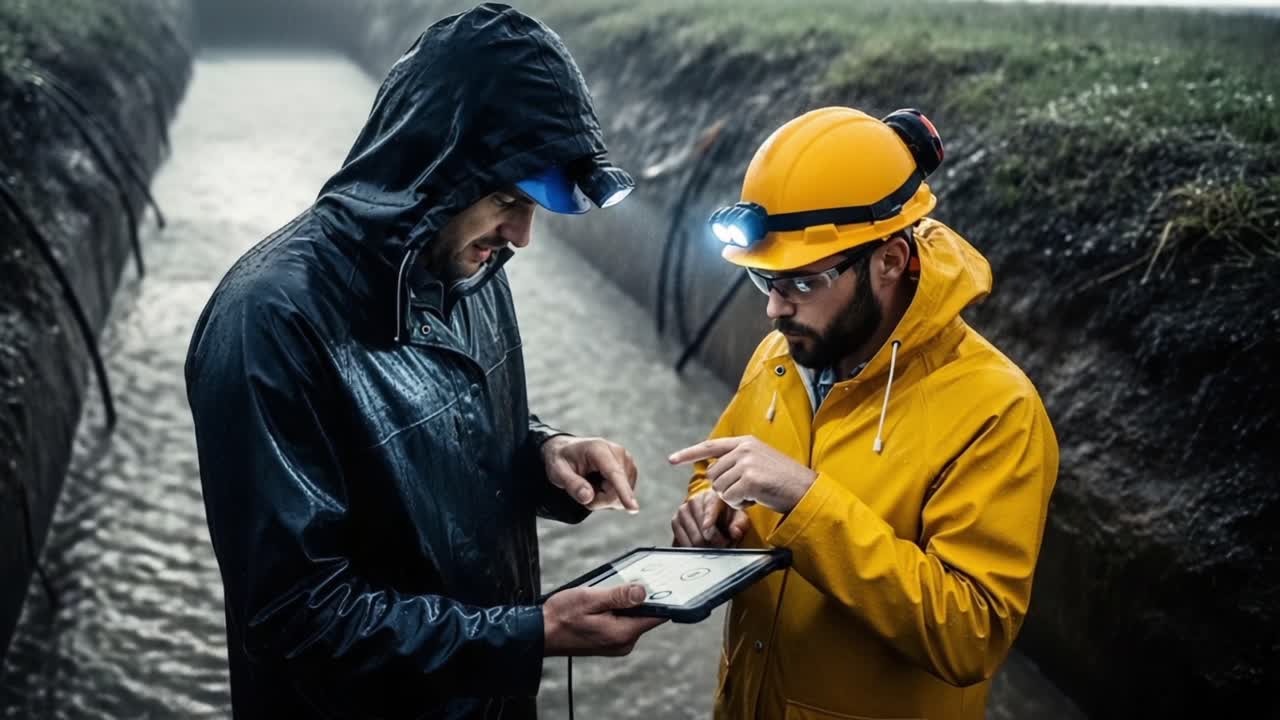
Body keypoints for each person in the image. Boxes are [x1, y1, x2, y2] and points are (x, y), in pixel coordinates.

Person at [184, 5, 662, 718]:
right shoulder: (270, 321)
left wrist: (543, 454)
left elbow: (442, 439)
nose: (523, 237)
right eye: (507, 200)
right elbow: (295, 615)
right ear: (431, 165)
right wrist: (533, 634)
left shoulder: (472, 269)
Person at [669, 106, 1059, 720]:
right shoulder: (783, 354)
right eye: (764, 281)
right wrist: (712, 511)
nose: (774, 309)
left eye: (799, 282)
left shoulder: (996, 410)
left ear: (889, 259)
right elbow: (727, 468)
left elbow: (971, 635)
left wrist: (807, 500)